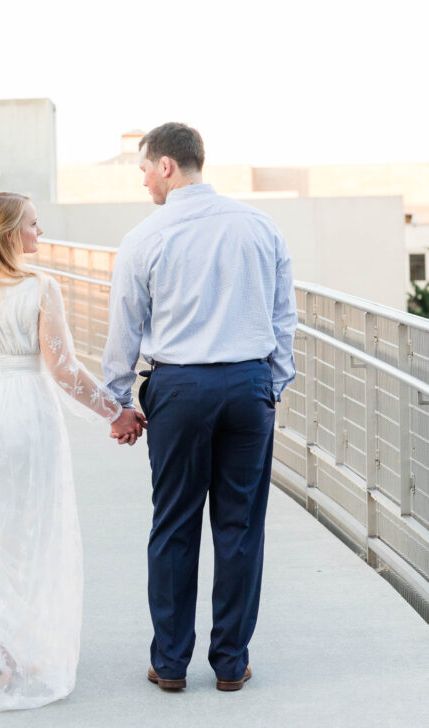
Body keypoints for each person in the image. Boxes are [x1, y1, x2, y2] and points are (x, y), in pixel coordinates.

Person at [102, 122, 297, 692]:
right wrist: (272, 384)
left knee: (174, 526)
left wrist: (118, 402)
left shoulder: (145, 237)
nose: (143, 182)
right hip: (247, 387)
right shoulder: (260, 226)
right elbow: (284, 315)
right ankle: (231, 664)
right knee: (240, 527)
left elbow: (126, 330)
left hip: (180, 391)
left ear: (167, 166)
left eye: (143, 169)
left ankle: (169, 664)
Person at [0, 191, 144, 712]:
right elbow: (65, 371)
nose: (40, 231)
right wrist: (115, 412)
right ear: (10, 233)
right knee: (26, 530)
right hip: (25, 415)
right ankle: (12, 646)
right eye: (32, 224)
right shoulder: (40, 287)